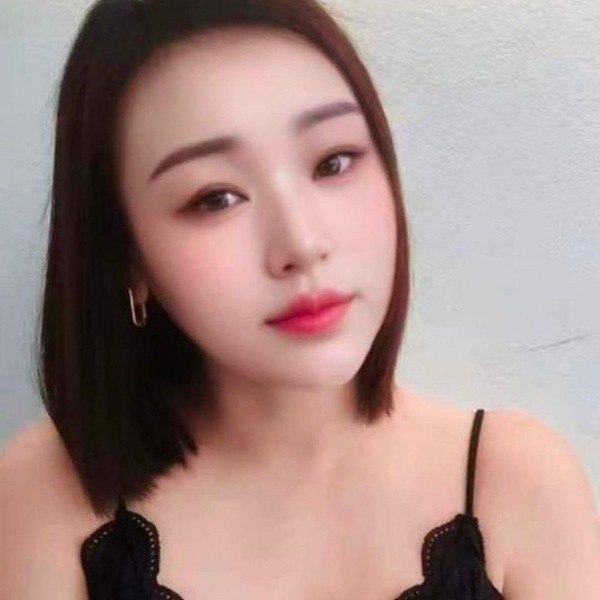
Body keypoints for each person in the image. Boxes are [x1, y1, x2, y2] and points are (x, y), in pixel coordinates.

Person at [1, 0, 599, 598]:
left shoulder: (517, 487)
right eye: (215, 198)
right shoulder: (45, 496)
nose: (303, 243)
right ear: (127, 256)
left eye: (333, 162)